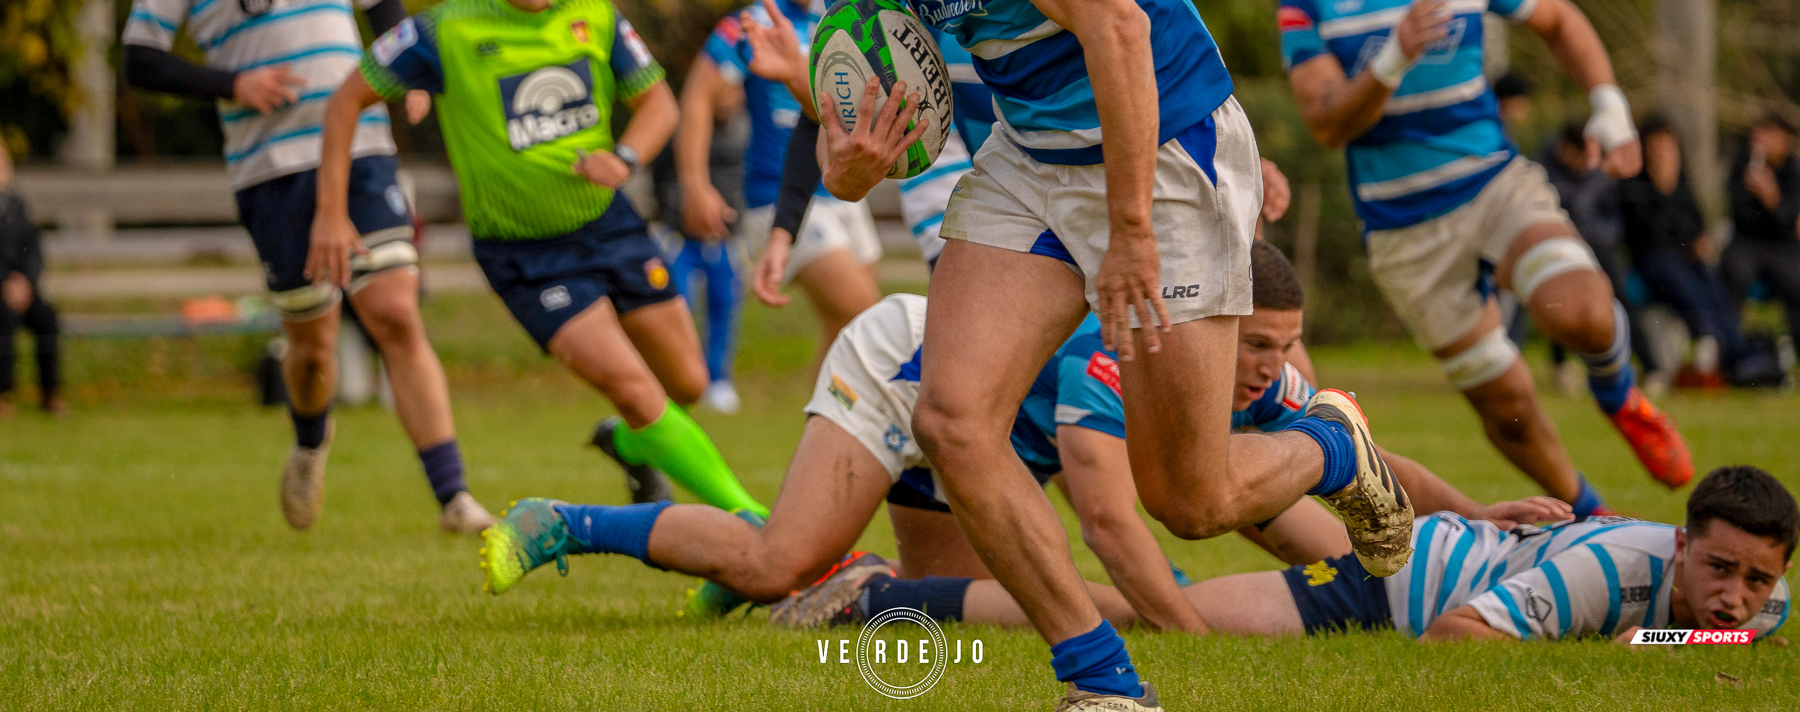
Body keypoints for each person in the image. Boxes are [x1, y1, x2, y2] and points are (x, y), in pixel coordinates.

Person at [733, 0, 1411, 711]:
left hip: (1165, 140)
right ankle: (1102, 680)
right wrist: (852, 161)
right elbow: (858, 144)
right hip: (1033, 154)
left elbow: (1117, 23)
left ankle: (1332, 443)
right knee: (953, 420)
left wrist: (1132, 231)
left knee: (1188, 498)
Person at [477, 244, 1541, 635]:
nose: (1267, 368)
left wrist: (1477, 516)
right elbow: (1113, 529)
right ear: (1207, 322)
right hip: (910, 372)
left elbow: (1356, 453)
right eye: (1255, 345)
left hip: (987, 434)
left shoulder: (1250, 364)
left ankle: (767, 572)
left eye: (1284, 347)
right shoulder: (1116, 357)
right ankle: (563, 521)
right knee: (776, 558)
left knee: (909, 593)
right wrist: (1185, 631)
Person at [306, 0, 766, 520]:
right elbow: (344, 101)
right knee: (634, 388)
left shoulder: (594, 13)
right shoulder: (445, 30)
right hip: (527, 256)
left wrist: (625, 159)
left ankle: (631, 446)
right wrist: (332, 212)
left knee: (685, 382)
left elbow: (658, 102)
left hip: (611, 226)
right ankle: (758, 524)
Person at [1279, 0, 1690, 518]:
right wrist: (1391, 59)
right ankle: (1589, 519)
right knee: (1509, 411)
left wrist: (1609, 109)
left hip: (1492, 184)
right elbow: (1325, 122)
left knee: (1581, 311)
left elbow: (1559, 21)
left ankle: (1620, 394)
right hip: (1403, 230)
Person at [121, 0, 490, 533]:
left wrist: (408, 76)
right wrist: (234, 83)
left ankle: (454, 495)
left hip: (363, 148)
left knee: (393, 309)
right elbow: (140, 59)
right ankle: (310, 441)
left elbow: (384, 0)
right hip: (272, 169)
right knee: (314, 342)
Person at [1174, 464, 1792, 645]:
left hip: (1459, 552)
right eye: (1719, 568)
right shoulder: (1605, 574)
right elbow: (1450, 633)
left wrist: (1659, 643)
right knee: (1170, 616)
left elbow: (1706, 632)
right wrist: (1632, 648)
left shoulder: (1770, 610)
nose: (1736, 599)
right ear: (1682, 547)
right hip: (1404, 576)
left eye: (1758, 580)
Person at [678, 0, 882, 374]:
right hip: (779, 197)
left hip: (846, 190)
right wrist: (695, 185)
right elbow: (696, 99)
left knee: (843, 335)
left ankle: (828, 438)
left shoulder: (839, 18)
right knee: (868, 317)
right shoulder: (751, 25)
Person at [1537, 120, 1663, 392]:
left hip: (1600, 243)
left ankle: (1652, 368)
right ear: (1564, 149)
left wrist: (1598, 233)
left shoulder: (1597, 163)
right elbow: (1567, 207)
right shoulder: (1544, 166)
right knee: (1558, 301)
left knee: (1620, 298)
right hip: (1561, 243)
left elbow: (1614, 218)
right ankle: (1561, 367)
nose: (1583, 163)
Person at [1618, 116, 1742, 386]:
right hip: (1651, 259)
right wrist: (1663, 189)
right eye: (1657, 144)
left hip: (1686, 257)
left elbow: (1694, 223)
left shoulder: (1681, 179)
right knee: (1680, 280)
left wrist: (1698, 241)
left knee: (1713, 284)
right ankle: (1706, 337)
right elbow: (1648, 234)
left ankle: (1735, 354)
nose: (1663, 151)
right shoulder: (1634, 183)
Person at [651, 89, 750, 413]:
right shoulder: (684, 127)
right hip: (681, 237)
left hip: (724, 239)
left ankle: (718, 379)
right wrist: (671, 210)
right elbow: (660, 173)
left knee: (724, 306)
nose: (725, 100)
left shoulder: (744, 128)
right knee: (678, 305)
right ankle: (675, 376)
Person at [1722, 114, 1800, 351]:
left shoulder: (1793, 170)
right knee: (1733, 272)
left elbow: (1792, 221)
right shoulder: (1742, 164)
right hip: (1747, 242)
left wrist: (1772, 198)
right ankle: (1731, 348)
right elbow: (1736, 211)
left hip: (1782, 246)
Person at [0, 144, 62, 416]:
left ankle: (50, 394)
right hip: (1, 292)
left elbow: (34, 249)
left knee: (47, 317)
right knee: (1, 320)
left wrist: (26, 282)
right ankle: (3, 395)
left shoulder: (18, 206)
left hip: (23, 289)